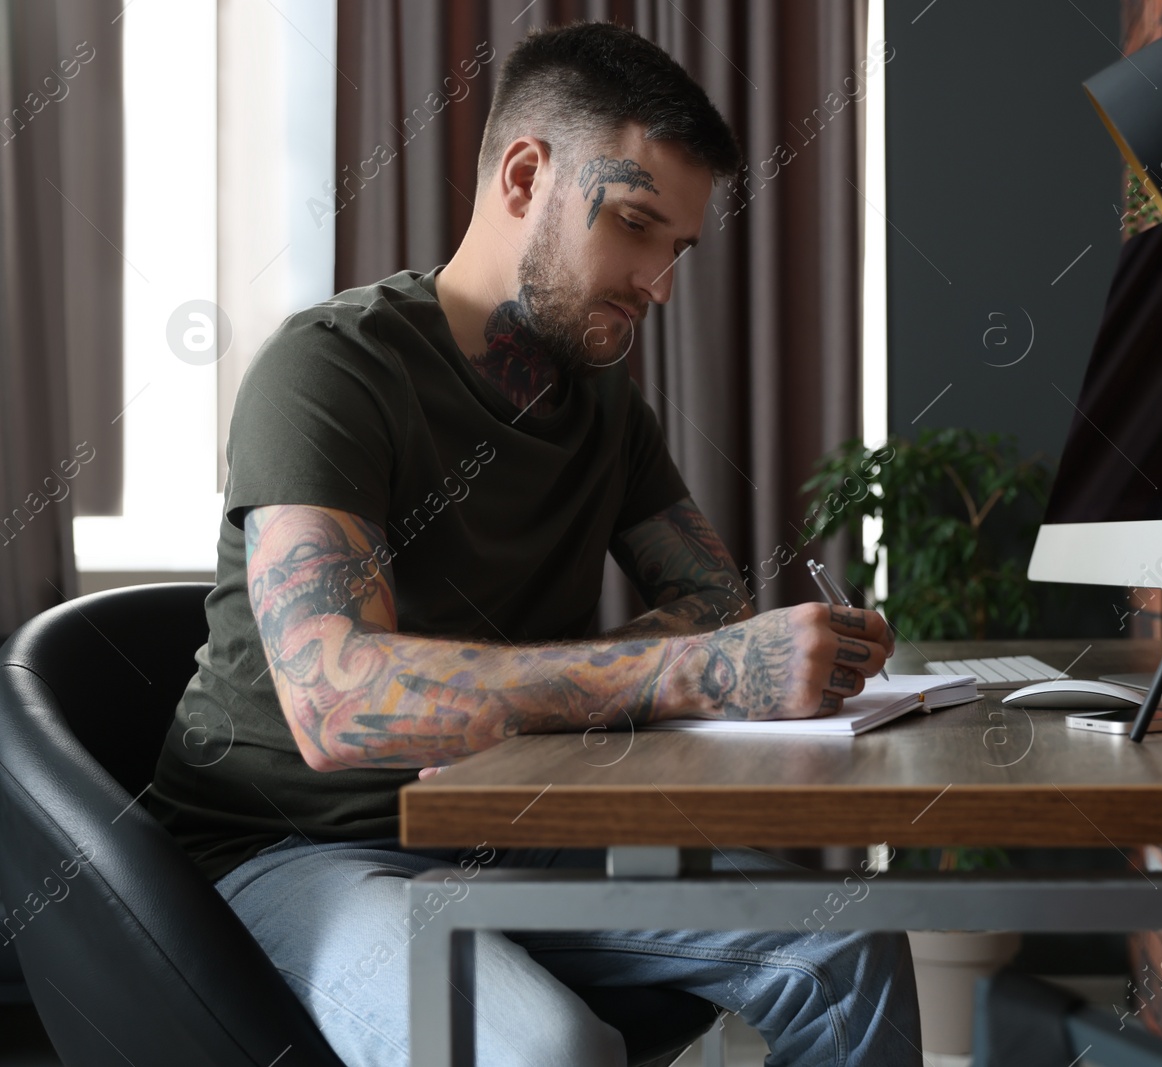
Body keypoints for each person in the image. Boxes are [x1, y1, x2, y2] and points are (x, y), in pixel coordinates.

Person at [145, 19, 920, 1067]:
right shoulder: (329, 371)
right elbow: (341, 702)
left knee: (848, 937)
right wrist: (689, 670)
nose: (659, 282)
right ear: (523, 175)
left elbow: (713, 602)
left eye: (678, 247)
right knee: (548, 1049)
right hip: (298, 846)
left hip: (505, 825)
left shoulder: (601, 404)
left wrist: (705, 656)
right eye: (637, 225)